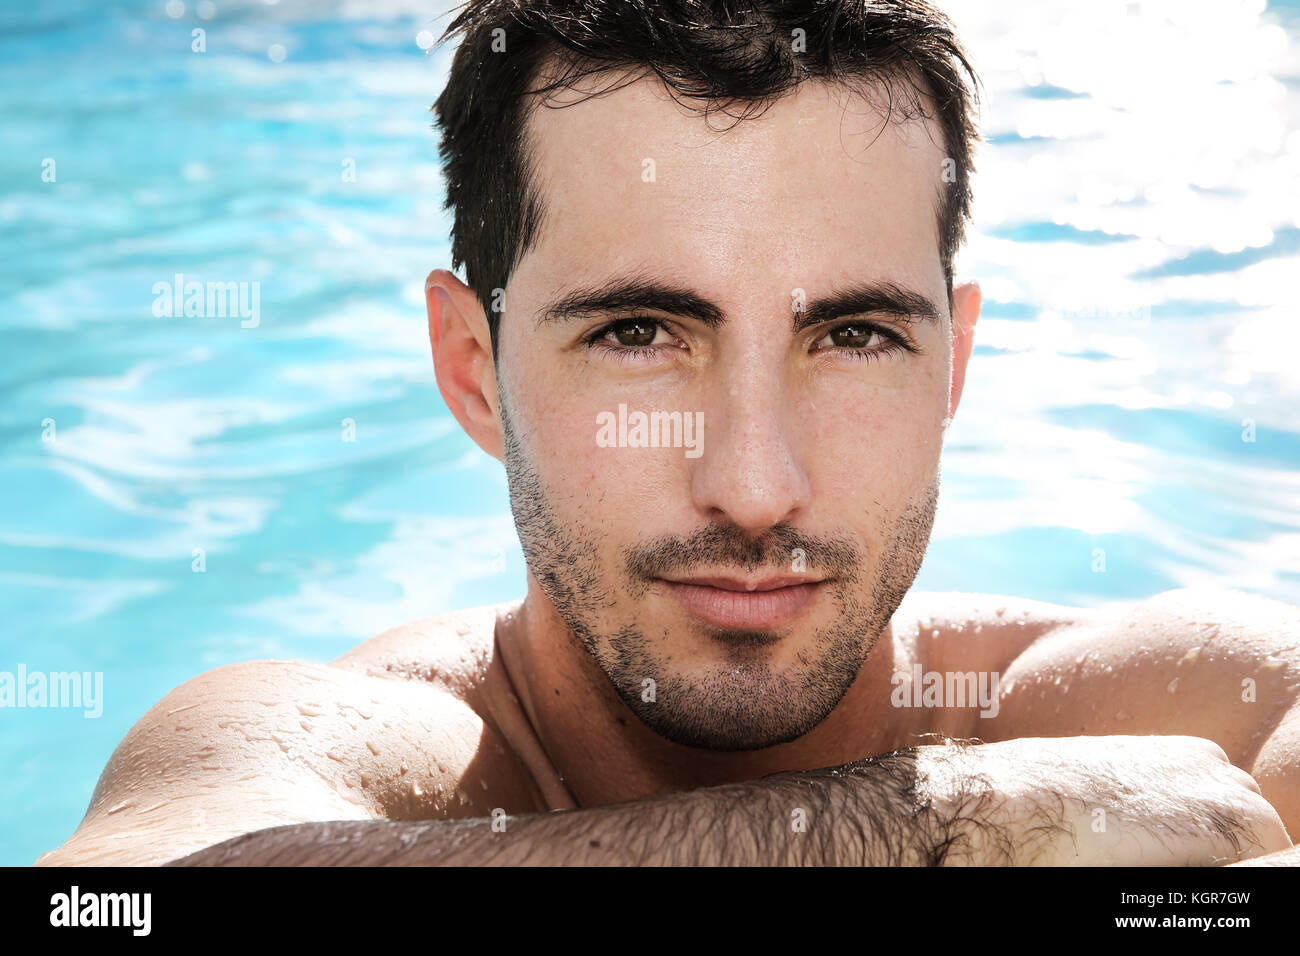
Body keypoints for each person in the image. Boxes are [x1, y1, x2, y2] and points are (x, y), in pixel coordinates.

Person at [37, 0, 1299, 866]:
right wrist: (955, 823)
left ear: (954, 365)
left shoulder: (1176, 705)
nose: (754, 488)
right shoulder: (335, 756)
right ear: (472, 371)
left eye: (855, 336)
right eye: (640, 331)